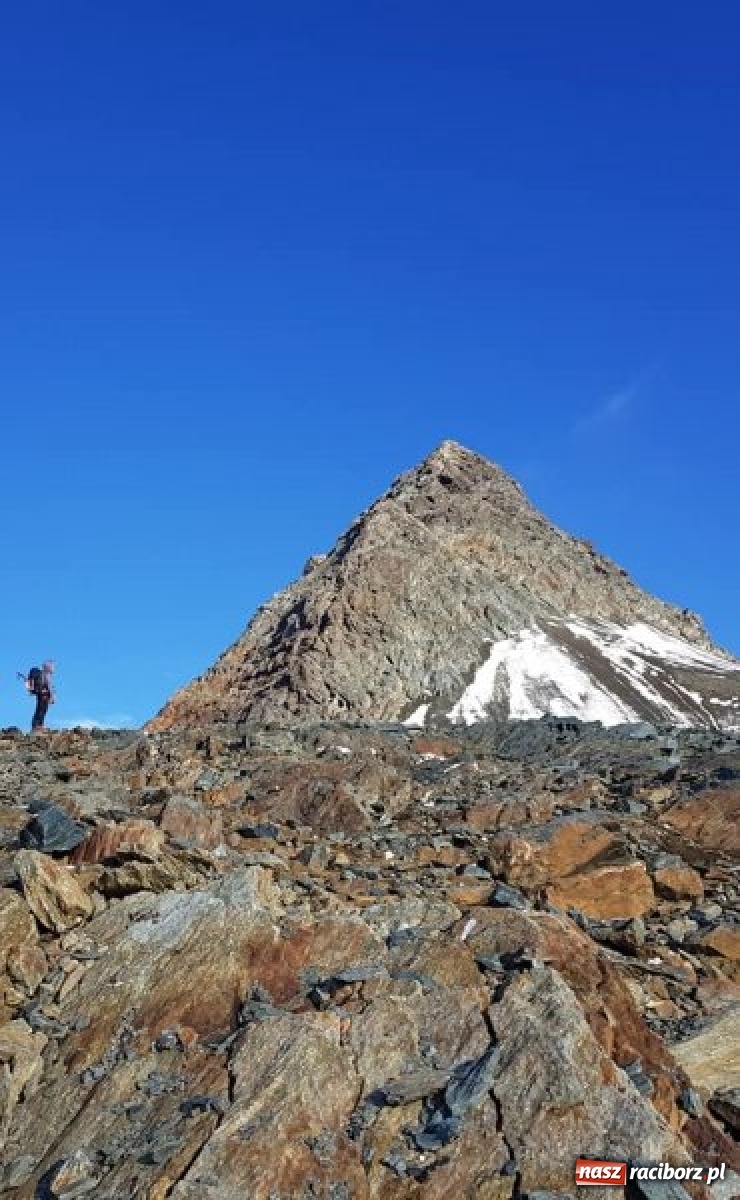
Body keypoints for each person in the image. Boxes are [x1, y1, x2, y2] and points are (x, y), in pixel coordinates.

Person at [26, 660, 55, 731]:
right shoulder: (46, 675)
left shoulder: (42, 674)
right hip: (44, 695)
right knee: (42, 710)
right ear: (48, 667)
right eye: (52, 666)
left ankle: (36, 725)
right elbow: (49, 686)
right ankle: (38, 725)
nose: (53, 668)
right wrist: (52, 696)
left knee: (39, 709)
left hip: (40, 694)